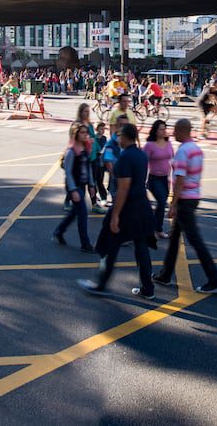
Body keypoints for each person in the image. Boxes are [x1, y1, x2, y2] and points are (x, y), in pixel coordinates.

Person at [80, 123, 157, 301]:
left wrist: (115, 215)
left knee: (110, 245)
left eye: (120, 136)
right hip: (142, 206)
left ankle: (100, 284)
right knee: (141, 247)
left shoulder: (124, 159)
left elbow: (123, 189)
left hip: (127, 209)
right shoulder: (141, 155)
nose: (118, 139)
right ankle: (148, 288)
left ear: (125, 137)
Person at [151, 118, 217, 293]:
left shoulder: (183, 151)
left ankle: (214, 280)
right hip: (194, 196)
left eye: (175, 130)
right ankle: (165, 274)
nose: (172, 133)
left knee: (195, 240)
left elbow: (180, 180)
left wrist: (173, 204)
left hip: (184, 200)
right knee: (175, 238)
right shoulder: (196, 149)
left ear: (182, 130)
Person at [51, 123, 94, 252]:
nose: (85, 135)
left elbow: (88, 167)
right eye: (82, 132)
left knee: (75, 212)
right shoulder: (71, 151)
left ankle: (59, 231)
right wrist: (73, 190)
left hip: (82, 184)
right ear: (75, 134)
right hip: (74, 186)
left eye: (86, 132)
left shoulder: (85, 149)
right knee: (82, 213)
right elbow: (68, 172)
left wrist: (91, 184)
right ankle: (85, 244)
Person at [144, 120, 174, 239]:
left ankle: (156, 228)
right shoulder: (149, 145)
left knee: (161, 205)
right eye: (161, 129)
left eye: (164, 129)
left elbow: (173, 159)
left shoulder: (168, 143)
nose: (163, 131)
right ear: (155, 130)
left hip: (165, 179)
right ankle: (157, 229)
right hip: (154, 178)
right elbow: (143, 162)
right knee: (161, 202)